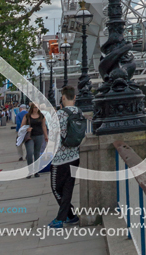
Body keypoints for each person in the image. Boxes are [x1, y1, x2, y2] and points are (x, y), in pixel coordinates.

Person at [48, 86, 86, 228]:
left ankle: (62, 218)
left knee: (56, 189)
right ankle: (70, 216)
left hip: (60, 159)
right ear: (74, 97)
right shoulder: (80, 112)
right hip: (75, 157)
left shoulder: (58, 115)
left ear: (63, 97)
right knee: (68, 188)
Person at [21, 103, 48, 177]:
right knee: (30, 153)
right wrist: (26, 128)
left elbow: (44, 126)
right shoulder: (27, 116)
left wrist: (46, 136)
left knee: (37, 153)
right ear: (31, 108)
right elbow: (22, 125)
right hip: (29, 136)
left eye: (37, 107)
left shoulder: (41, 116)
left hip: (39, 135)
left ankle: (36, 171)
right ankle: (30, 171)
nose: (35, 109)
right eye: (34, 107)